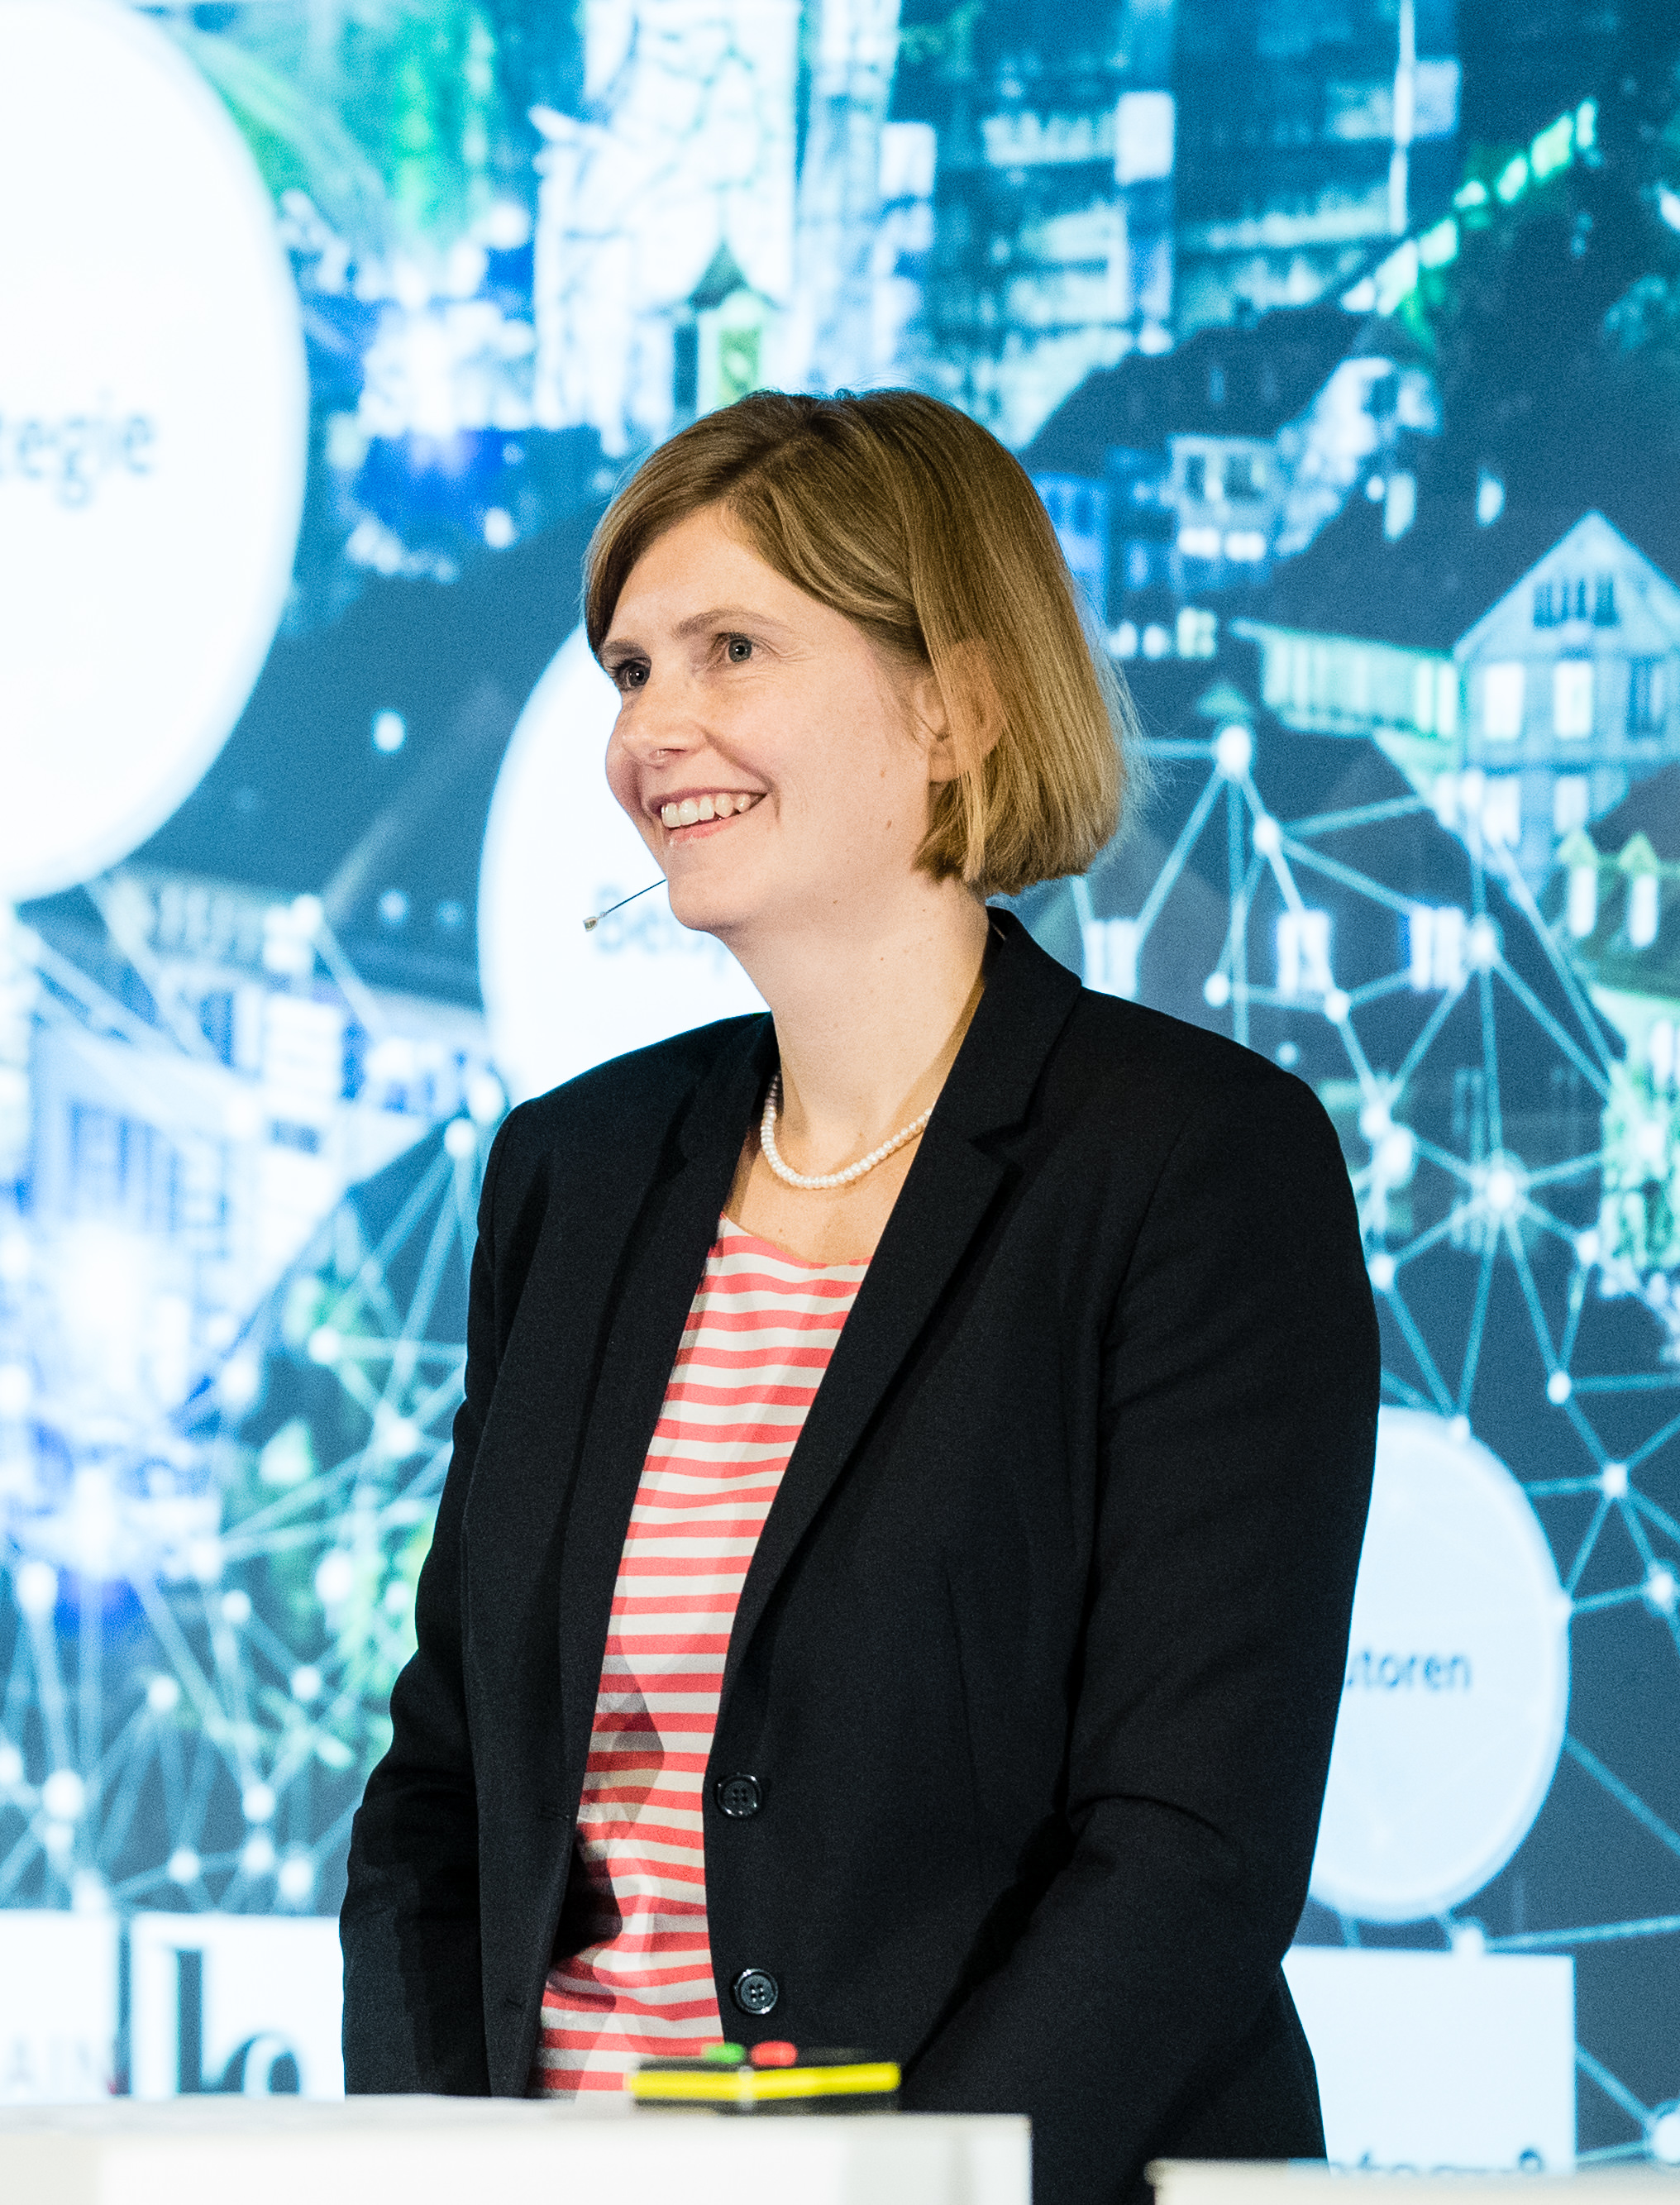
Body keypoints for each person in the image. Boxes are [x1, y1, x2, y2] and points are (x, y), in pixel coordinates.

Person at [340, 389, 1378, 2205]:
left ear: (954, 706)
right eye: (630, 669)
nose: (649, 730)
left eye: (729, 649)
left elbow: (1184, 1852)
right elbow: (444, 1790)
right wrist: (443, 2173)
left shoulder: (1194, 1162)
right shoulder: (574, 1174)